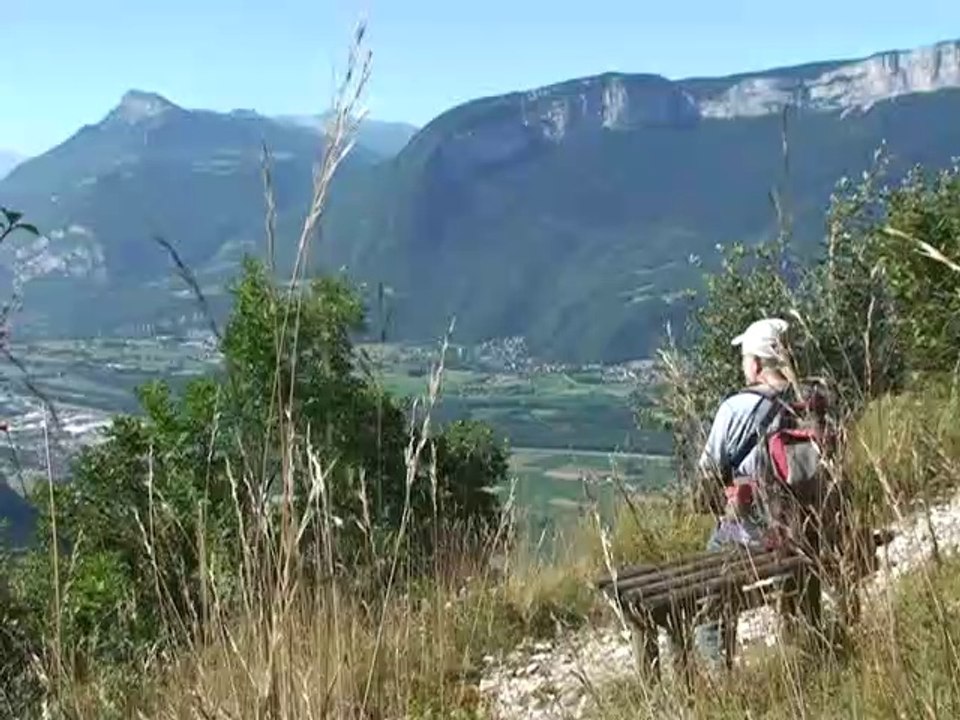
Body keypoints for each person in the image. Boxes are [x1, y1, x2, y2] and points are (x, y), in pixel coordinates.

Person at [691, 317, 795, 669]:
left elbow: (704, 477)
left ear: (755, 363)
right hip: (807, 530)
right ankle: (806, 641)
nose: (742, 365)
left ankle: (718, 677)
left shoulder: (735, 409)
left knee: (706, 594)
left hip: (753, 539)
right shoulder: (808, 400)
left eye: (744, 358)